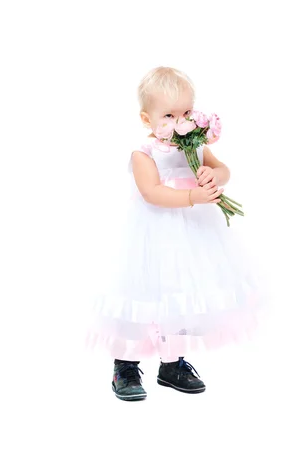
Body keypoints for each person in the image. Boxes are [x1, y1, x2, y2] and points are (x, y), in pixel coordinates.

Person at [85, 66, 262, 401]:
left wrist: (214, 175)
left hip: (192, 235)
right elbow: (151, 191)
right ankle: (125, 363)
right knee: (145, 293)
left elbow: (222, 168)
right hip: (153, 236)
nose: (178, 122)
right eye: (167, 115)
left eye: (185, 113)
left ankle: (172, 361)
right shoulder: (145, 151)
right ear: (146, 118)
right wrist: (192, 196)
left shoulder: (194, 143)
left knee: (181, 292)